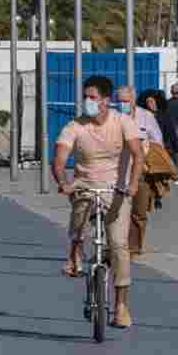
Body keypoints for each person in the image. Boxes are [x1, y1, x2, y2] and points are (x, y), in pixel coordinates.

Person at [52, 75, 144, 329]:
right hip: (84, 185)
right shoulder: (75, 126)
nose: (87, 101)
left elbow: (137, 155)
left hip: (116, 190)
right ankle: (75, 253)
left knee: (119, 245)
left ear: (106, 100)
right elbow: (59, 160)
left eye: (92, 97)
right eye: (85, 97)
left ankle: (121, 306)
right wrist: (63, 182)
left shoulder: (122, 122)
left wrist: (133, 184)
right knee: (78, 221)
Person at [127, 89, 172, 256]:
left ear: (133, 100)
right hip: (118, 172)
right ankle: (117, 246)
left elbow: (157, 142)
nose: (123, 104)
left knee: (139, 212)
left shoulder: (146, 117)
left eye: (126, 100)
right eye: (120, 101)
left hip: (142, 171)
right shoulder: (113, 117)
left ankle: (134, 247)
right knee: (117, 212)